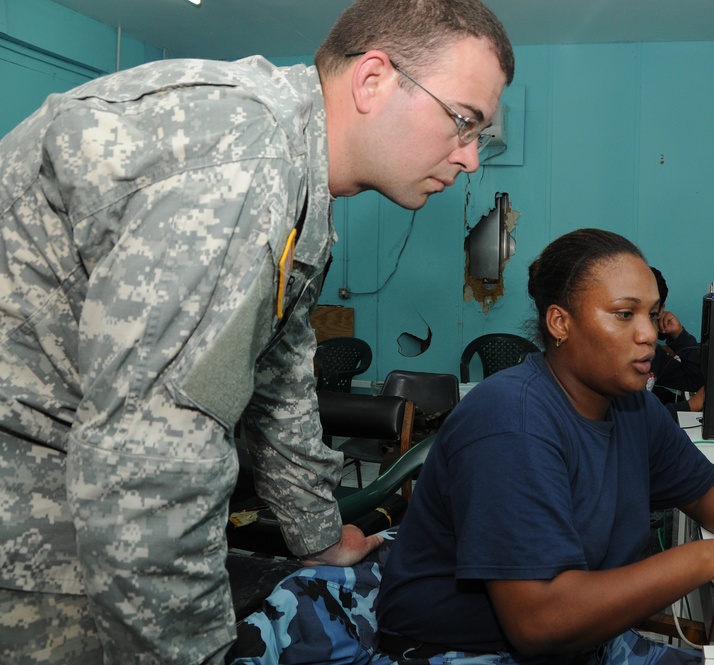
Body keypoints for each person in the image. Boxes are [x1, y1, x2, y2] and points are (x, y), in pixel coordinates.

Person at [0, 0, 514, 661]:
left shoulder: (297, 176)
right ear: (374, 80)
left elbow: (280, 370)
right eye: (463, 122)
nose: (471, 158)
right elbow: (148, 475)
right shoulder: (245, 164)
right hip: (34, 476)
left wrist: (316, 534)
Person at [374, 228, 714, 664]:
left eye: (651, 314)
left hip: (582, 642)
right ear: (560, 323)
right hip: (464, 651)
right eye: (624, 314)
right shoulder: (512, 423)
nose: (649, 334)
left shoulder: (632, 406)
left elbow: (708, 489)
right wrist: (710, 558)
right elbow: (538, 625)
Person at [647, 266, 704, 420]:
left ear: (660, 312)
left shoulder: (654, 353)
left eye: (651, 314)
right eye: (627, 313)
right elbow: (629, 419)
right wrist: (690, 406)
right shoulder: (611, 354)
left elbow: (694, 381)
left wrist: (678, 335)